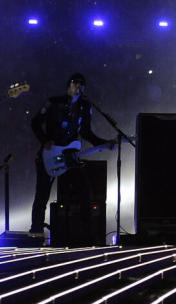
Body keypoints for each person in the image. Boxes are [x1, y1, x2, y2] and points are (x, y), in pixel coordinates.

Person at [29, 73, 114, 239]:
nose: (78, 87)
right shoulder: (54, 102)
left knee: (85, 192)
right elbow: (35, 122)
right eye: (75, 83)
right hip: (50, 154)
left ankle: (87, 235)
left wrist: (103, 143)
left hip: (70, 155)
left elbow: (86, 132)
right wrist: (45, 140)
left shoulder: (85, 106)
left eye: (82, 84)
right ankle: (36, 231)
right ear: (68, 86)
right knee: (42, 194)